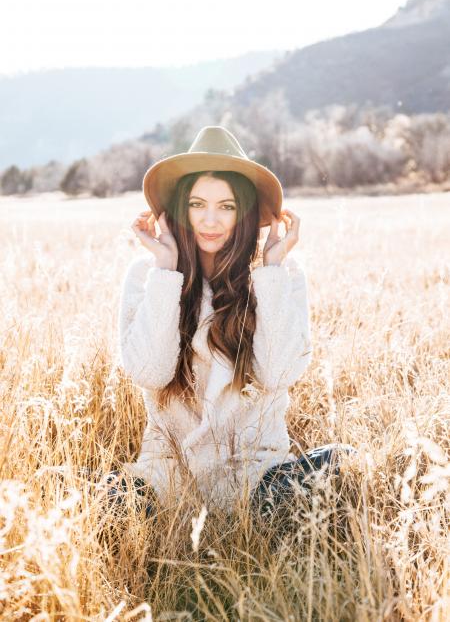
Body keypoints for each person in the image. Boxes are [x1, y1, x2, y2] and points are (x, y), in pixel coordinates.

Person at [104, 125, 357, 521]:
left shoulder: (280, 274)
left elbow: (279, 372)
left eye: (226, 206)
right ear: (179, 209)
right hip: (168, 476)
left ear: (245, 212)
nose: (210, 220)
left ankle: (263, 515)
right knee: (83, 496)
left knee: (348, 464)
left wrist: (272, 269)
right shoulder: (148, 275)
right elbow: (150, 373)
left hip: (256, 476)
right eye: (197, 204)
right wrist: (166, 271)